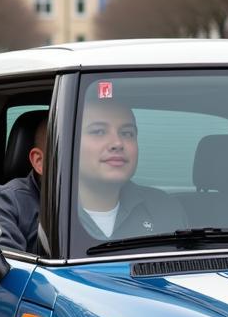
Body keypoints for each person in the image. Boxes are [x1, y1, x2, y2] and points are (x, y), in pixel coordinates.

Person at [75, 95, 186, 243]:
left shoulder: (165, 209)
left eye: (127, 133)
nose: (117, 143)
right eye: (99, 132)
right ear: (70, 143)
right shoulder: (39, 217)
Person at [0, 114, 46, 253]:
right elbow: (6, 271)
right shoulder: (2, 203)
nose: (102, 145)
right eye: (97, 132)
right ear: (39, 162)